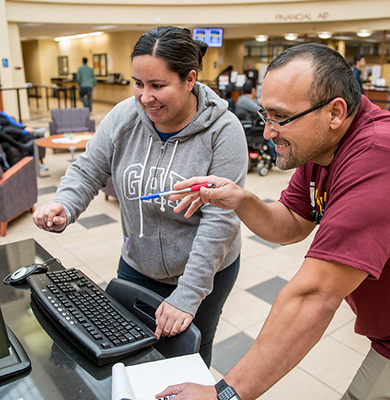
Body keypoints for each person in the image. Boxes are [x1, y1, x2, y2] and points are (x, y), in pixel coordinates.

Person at [157, 43, 390, 400]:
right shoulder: (323, 146)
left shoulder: (377, 156)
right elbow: (291, 224)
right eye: (266, 115)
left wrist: (225, 394)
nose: (268, 132)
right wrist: (241, 199)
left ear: (335, 112)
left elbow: (314, 296)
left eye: (280, 117)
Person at [32, 26, 248, 367]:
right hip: (137, 263)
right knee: (128, 349)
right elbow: (89, 168)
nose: (145, 97)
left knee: (187, 355)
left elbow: (221, 221)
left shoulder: (224, 131)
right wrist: (64, 204)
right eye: (138, 84)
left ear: (190, 79)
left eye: (158, 86)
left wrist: (188, 296)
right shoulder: (124, 117)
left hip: (203, 271)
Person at [235, 79, 276, 160]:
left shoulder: (244, 99)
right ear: (253, 90)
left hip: (251, 126)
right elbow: (260, 110)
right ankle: (275, 155)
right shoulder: (244, 100)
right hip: (249, 128)